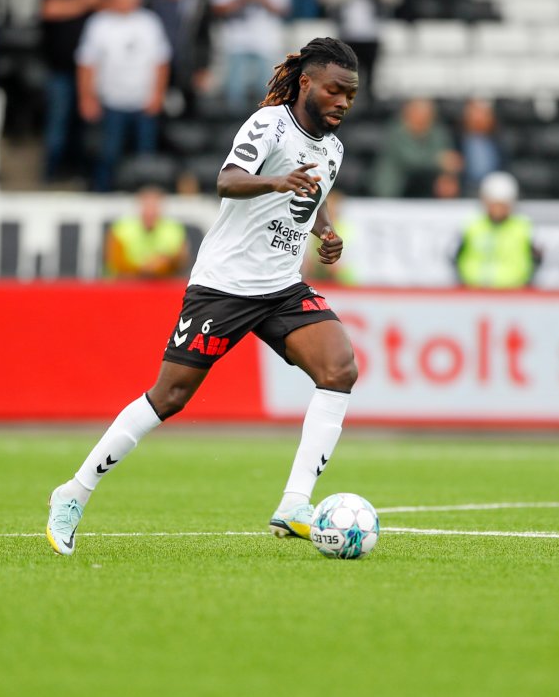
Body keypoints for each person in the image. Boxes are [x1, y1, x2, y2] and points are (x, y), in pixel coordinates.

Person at [46, 37, 360, 556]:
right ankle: (73, 492)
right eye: (335, 90)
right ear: (307, 83)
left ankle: (295, 503)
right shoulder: (269, 124)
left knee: (340, 369)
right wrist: (275, 181)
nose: (343, 102)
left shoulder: (334, 147)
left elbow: (314, 195)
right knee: (169, 397)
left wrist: (324, 232)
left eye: (350, 94)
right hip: (224, 286)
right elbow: (228, 181)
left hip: (282, 287)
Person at [75, 0, 170, 192]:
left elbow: (161, 62)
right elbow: (86, 63)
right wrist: (86, 97)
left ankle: (144, 201)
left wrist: (157, 95)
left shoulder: (150, 22)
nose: (125, 1)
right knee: (108, 155)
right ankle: (103, 196)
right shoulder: (99, 23)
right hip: (111, 103)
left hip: (143, 102)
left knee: (145, 159)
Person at [39, 0, 106, 182]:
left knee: (86, 127)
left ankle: (81, 173)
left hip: (94, 73)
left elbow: (118, 7)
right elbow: (49, 9)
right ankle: (50, 172)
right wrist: (84, 2)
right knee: (58, 123)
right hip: (61, 69)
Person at [209, 0, 290, 110]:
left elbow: (284, 8)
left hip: (267, 42)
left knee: (268, 99)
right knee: (234, 98)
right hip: (236, 41)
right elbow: (217, 7)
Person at [454, 171, 541, 289]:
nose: (498, 209)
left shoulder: (523, 227)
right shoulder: (471, 226)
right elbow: (455, 257)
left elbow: (536, 260)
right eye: (494, 204)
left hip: (514, 294)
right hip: (473, 292)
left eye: (502, 204)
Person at [147, 0, 212, 119]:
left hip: (188, 66)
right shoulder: (153, 3)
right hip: (159, 68)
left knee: (190, 115)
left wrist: (202, 67)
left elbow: (204, 37)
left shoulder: (196, 2)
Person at [371, 97, 461, 198]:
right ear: (408, 113)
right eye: (419, 113)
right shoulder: (395, 132)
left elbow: (447, 157)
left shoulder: (437, 132)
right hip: (395, 185)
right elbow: (410, 159)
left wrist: (447, 173)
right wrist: (438, 161)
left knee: (447, 181)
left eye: (428, 115)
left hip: (426, 182)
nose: (424, 118)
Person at [104, 186, 189, 278]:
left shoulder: (174, 229)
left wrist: (168, 262)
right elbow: (114, 262)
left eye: (154, 206)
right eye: (147, 206)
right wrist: (146, 268)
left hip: (161, 285)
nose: (150, 211)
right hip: (127, 285)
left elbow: (182, 262)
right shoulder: (121, 228)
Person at [455, 97, 507, 196]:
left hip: (494, 189)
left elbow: (505, 167)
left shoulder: (500, 142)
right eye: (474, 114)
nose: (478, 119)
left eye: (483, 114)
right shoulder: (456, 140)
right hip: (465, 188)